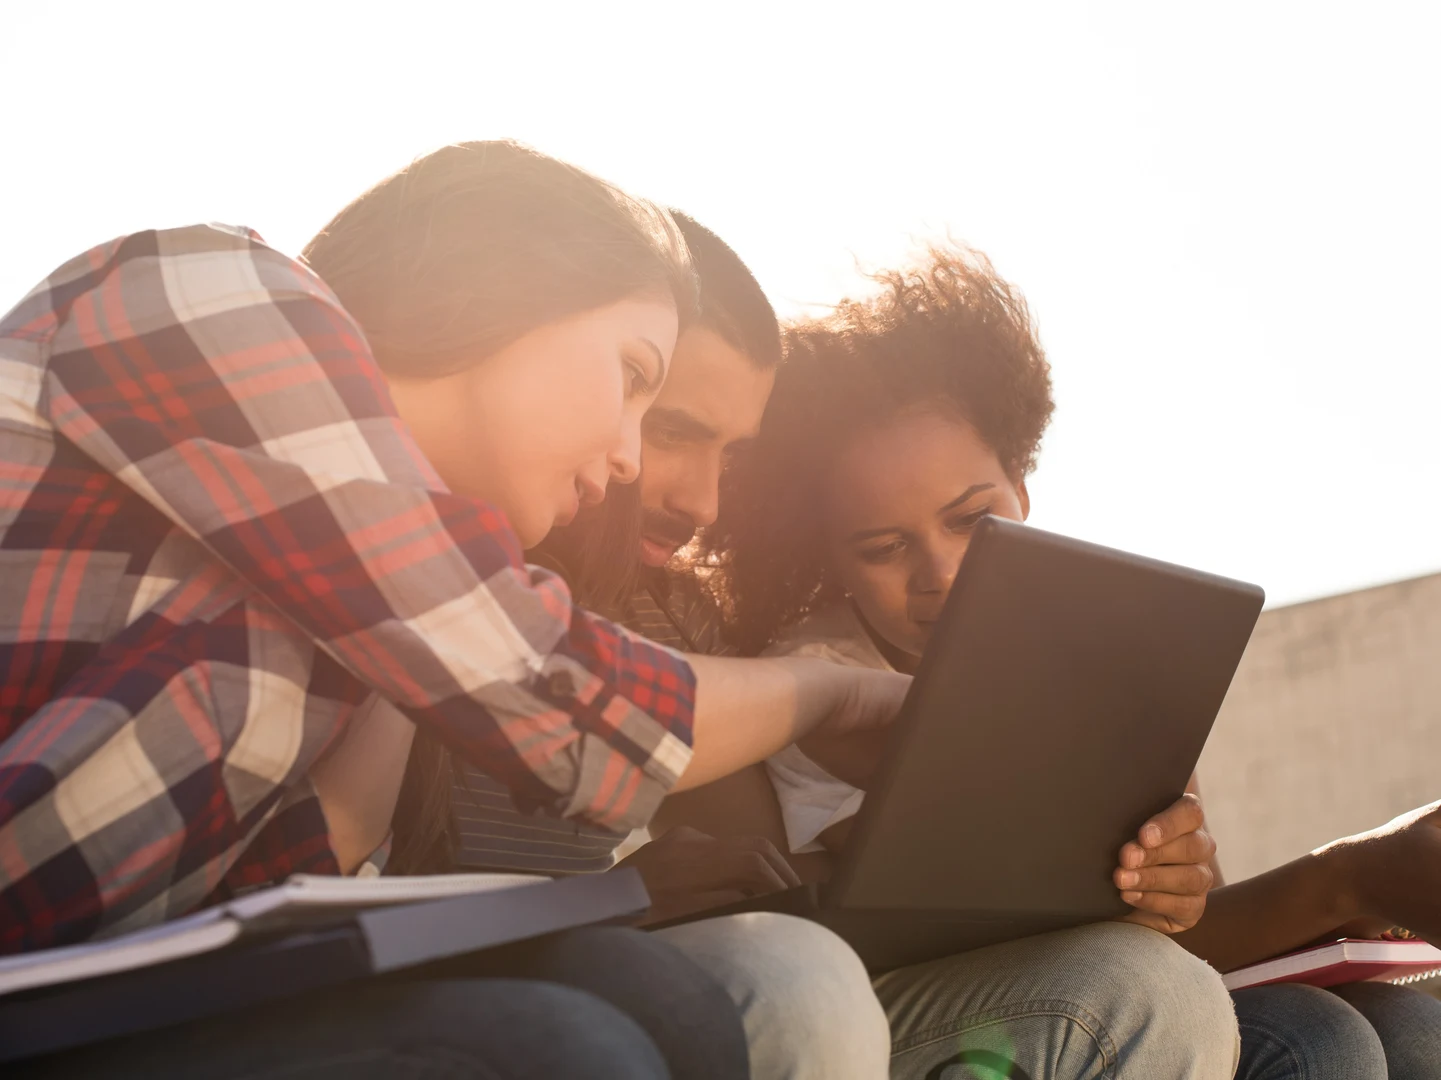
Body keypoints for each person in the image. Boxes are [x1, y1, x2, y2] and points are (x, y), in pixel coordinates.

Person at [0, 140, 911, 1076]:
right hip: (46, 987)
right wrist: (830, 692)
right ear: (499, 294)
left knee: (661, 996)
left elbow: (319, 861)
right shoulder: (202, 287)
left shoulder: (358, 588)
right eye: (634, 379)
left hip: (75, 987)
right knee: (562, 1046)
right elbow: (567, 709)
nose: (631, 456)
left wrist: (439, 584)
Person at [434, 222, 1241, 1078]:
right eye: (666, 423)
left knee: (1299, 1025)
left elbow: (725, 881)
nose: (703, 499)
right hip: (722, 990)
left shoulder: (684, 619)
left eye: (730, 457)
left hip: (742, 980)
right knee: (1123, 995)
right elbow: (731, 904)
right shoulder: (434, 584)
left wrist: (1159, 878)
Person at [705, 243, 1441, 1079]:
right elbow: (745, 937)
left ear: (1020, 484)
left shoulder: (1110, 653)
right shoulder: (786, 681)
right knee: (1316, 1041)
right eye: (881, 548)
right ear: (828, 557)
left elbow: (1179, 948)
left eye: (970, 518)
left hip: (1136, 995)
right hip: (928, 1025)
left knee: (1399, 1031)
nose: (939, 574)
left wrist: (1179, 886)